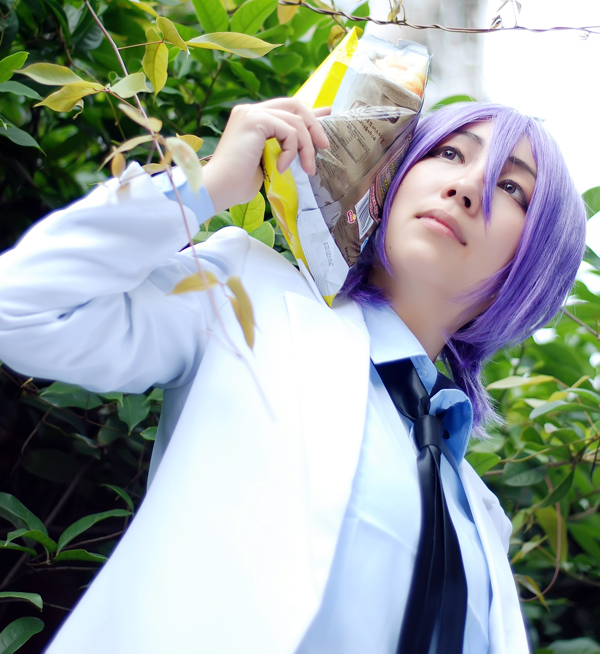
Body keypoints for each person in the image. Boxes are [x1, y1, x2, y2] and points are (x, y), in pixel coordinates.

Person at [0, 97, 587, 654]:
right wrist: (205, 186)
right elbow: (21, 307)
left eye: (513, 187)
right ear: (390, 174)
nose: (467, 187)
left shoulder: (479, 521)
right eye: (450, 153)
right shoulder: (246, 296)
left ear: (535, 264)